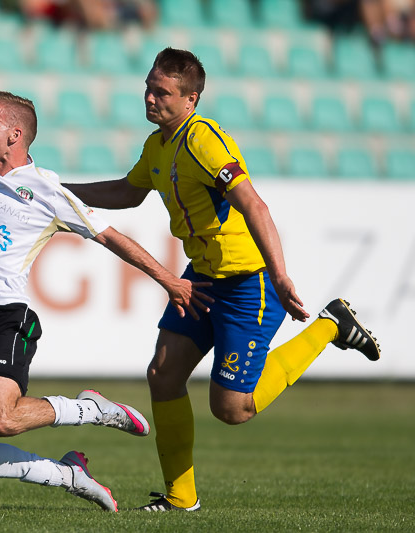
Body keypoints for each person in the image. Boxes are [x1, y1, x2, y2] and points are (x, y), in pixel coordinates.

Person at [64, 47, 382, 512]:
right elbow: (130, 193)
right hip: (205, 278)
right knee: (163, 374)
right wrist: (62, 194)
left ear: (191, 99)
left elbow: (254, 204)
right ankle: (180, 497)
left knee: (232, 408)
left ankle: (332, 323)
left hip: (248, 281)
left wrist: (279, 273)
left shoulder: (204, 141)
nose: (150, 98)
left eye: (162, 92)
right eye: (149, 88)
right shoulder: (159, 144)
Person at [0, 38, 213, 512]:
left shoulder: (47, 191)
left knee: (0, 418)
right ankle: (68, 475)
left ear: (14, 136)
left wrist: (169, 279)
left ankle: (91, 409)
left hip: (6, 320)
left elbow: (112, 236)